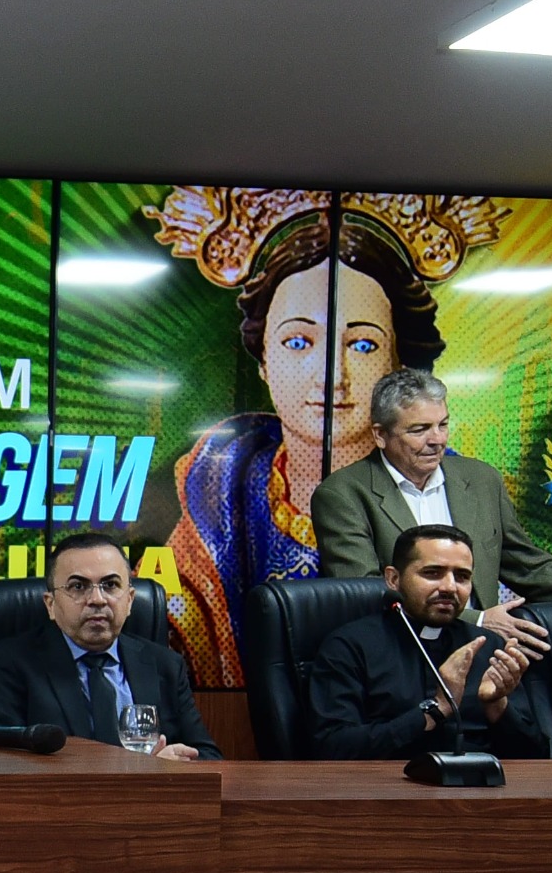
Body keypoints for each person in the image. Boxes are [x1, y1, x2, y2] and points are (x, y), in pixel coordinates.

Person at [159, 206, 424, 690]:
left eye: (363, 345)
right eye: (299, 342)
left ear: (397, 365)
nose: (332, 376)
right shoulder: (220, 494)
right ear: (263, 360)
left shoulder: (442, 495)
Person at [312, 366, 552, 620]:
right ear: (380, 435)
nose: (437, 440)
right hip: (399, 654)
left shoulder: (481, 480)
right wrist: (477, 620)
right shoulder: (342, 495)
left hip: (487, 653)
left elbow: (530, 568)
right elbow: (367, 595)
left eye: (443, 425)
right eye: (420, 430)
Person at [0, 532, 219, 758]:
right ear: (50, 605)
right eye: (78, 586)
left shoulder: (165, 665)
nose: (97, 600)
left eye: (110, 585)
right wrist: (136, 774)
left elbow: (208, 756)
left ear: (130, 600)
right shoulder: (11, 663)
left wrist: (171, 769)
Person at [307, 523, 542, 759]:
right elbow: (332, 747)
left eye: (462, 576)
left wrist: (496, 706)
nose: (449, 587)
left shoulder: (489, 646)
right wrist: (435, 710)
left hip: (479, 781)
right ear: (393, 578)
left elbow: (537, 756)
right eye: (432, 573)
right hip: (390, 780)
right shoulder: (350, 646)